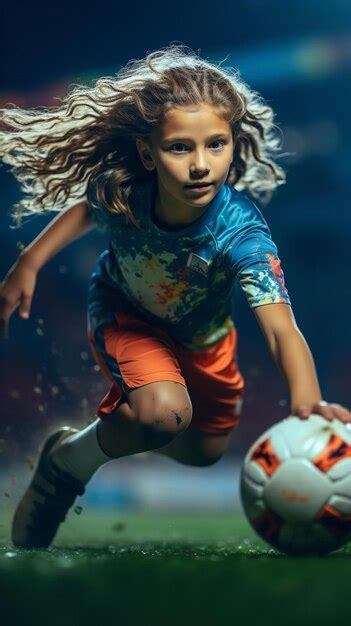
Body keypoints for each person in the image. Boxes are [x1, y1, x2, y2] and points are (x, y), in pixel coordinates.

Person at [0, 44, 349, 549]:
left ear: (233, 143)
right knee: (163, 413)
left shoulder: (243, 234)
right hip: (127, 316)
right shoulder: (128, 190)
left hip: (205, 339)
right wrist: (28, 263)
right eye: (180, 148)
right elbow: (87, 207)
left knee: (203, 450)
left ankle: (78, 444)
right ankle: (68, 466)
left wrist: (307, 398)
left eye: (216, 144)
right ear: (148, 153)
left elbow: (280, 328)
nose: (201, 165)